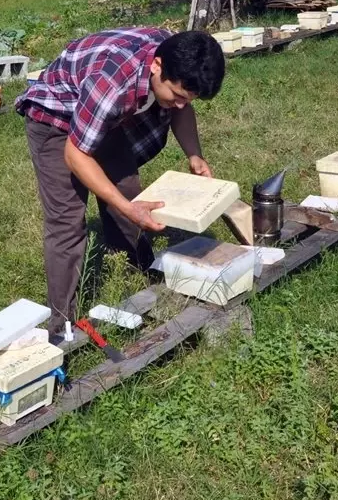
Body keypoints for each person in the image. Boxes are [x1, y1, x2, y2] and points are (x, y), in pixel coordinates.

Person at [16, 28, 226, 339]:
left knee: (127, 190)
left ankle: (137, 280)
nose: (182, 105)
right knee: (67, 223)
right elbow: (76, 155)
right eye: (178, 96)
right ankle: (61, 329)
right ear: (156, 66)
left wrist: (195, 156)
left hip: (99, 114)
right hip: (55, 117)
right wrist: (127, 208)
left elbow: (183, 107)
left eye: (189, 99)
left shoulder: (175, 56)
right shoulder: (113, 83)